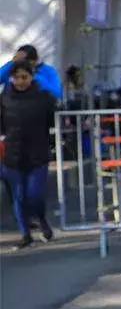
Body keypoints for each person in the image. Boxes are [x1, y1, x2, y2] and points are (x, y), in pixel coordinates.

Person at [1, 60, 59, 250]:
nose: (20, 81)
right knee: (19, 197)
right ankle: (25, 234)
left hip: (38, 153)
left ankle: (41, 220)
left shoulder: (43, 98)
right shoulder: (4, 99)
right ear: (11, 79)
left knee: (34, 195)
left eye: (24, 77)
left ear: (32, 77)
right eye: (16, 77)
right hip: (12, 154)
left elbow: (52, 120)